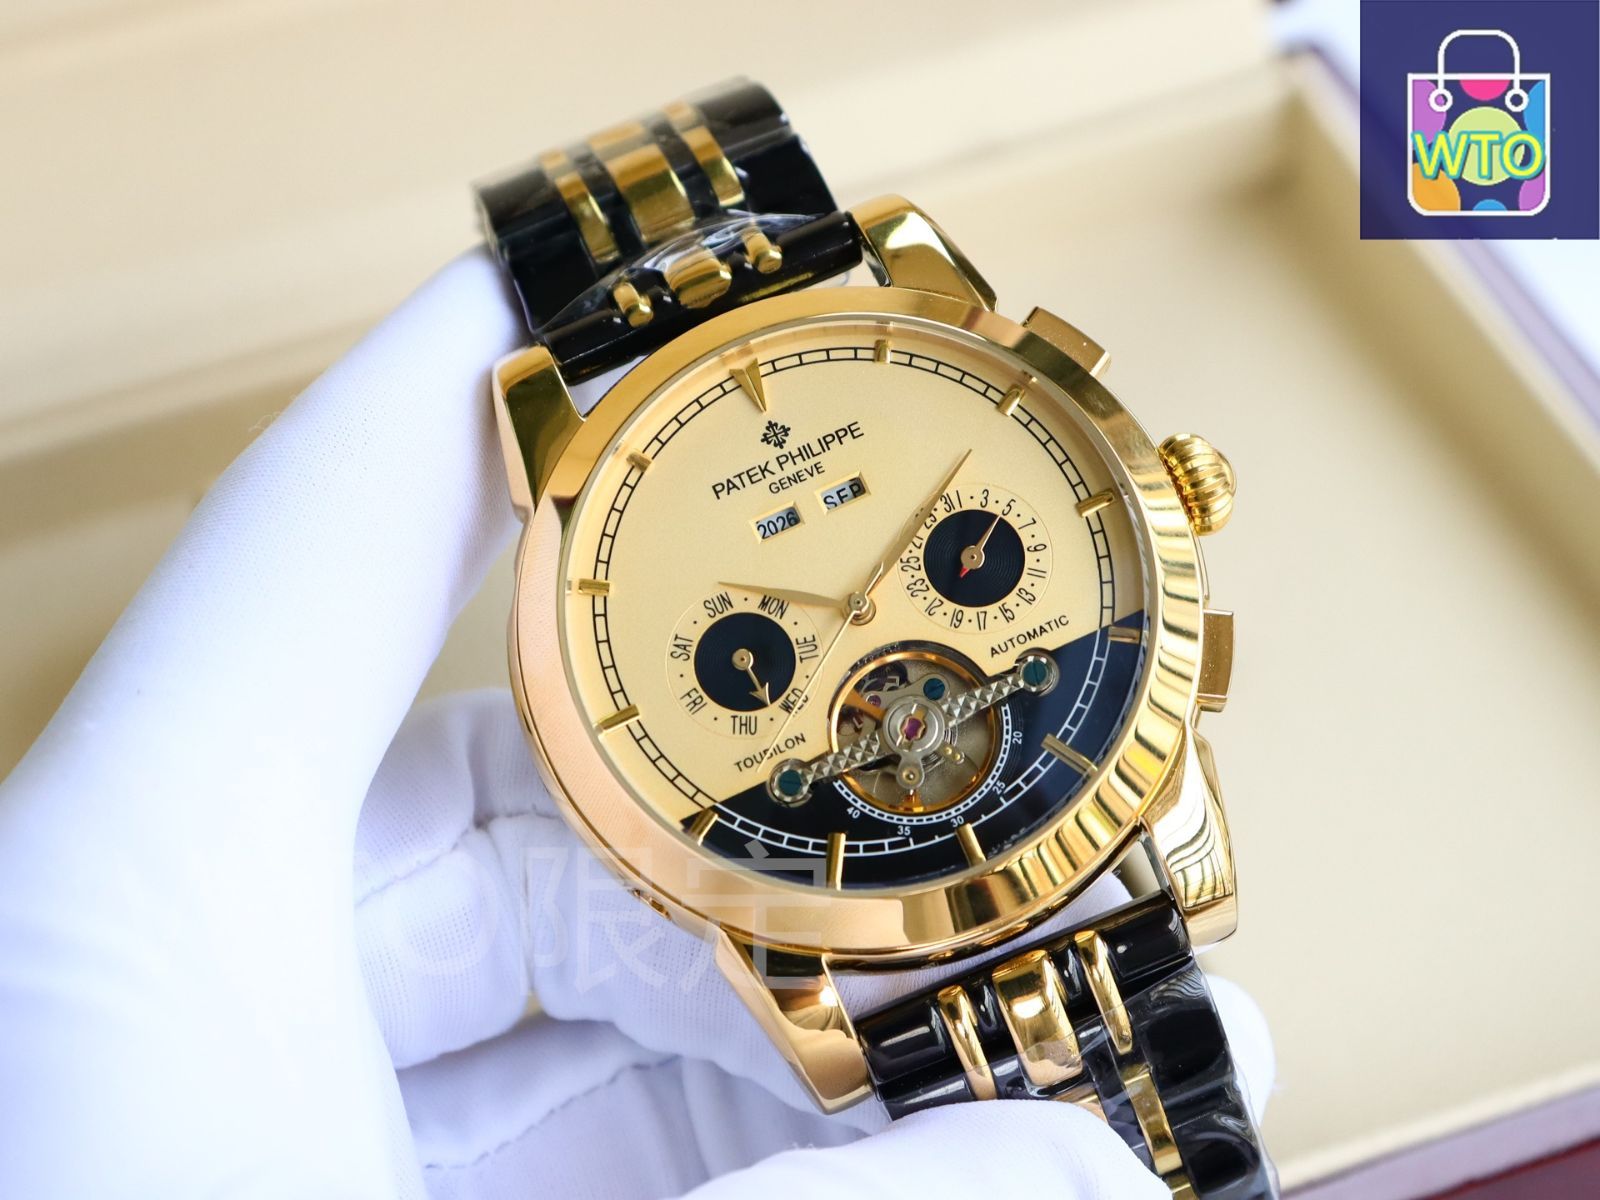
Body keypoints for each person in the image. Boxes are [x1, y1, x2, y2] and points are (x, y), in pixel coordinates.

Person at [0, 252, 1273, 1198]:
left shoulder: (915, 277)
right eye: (756, 646)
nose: (854, 624)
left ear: (1175, 493)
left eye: (946, 565)